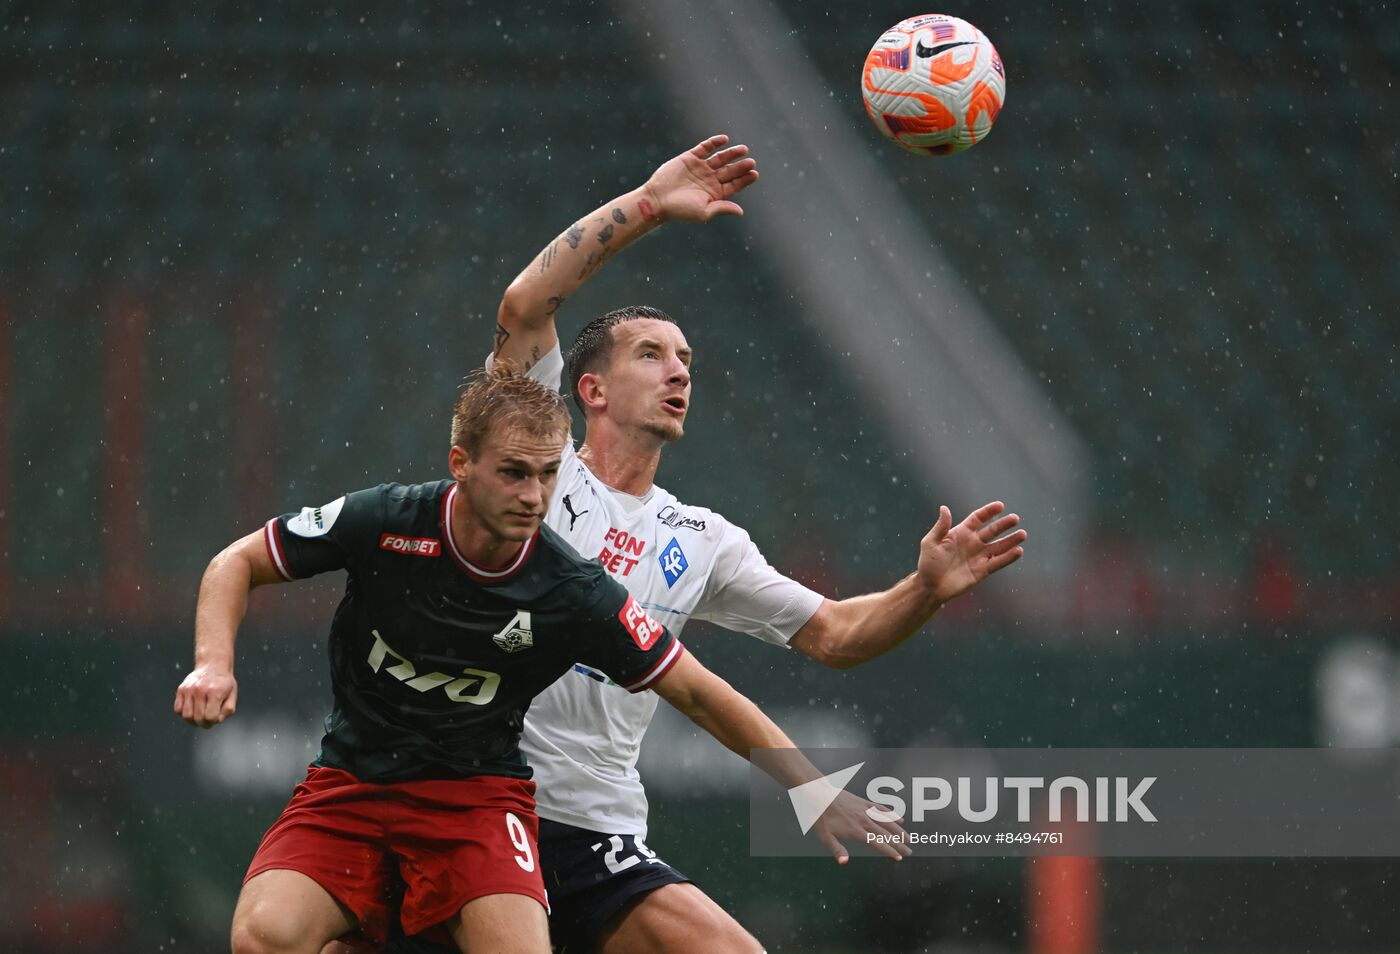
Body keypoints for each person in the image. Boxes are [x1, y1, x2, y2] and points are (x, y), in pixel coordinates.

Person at [376, 135, 1027, 954]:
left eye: (686, 359)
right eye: (652, 355)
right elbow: (524, 305)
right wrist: (647, 205)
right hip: (476, 805)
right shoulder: (534, 469)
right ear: (592, 389)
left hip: (596, 830)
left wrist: (924, 587)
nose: (679, 372)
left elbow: (835, 636)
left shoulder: (701, 538)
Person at [174, 367, 904, 954]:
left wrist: (808, 788)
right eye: (514, 474)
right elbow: (235, 563)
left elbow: (699, 692)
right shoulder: (387, 521)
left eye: (547, 475)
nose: (534, 497)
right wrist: (214, 664)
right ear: (460, 464)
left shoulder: (572, 589)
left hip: (477, 802)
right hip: (354, 783)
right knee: (264, 937)